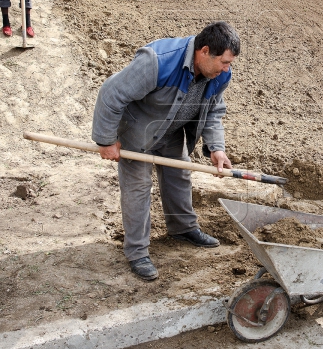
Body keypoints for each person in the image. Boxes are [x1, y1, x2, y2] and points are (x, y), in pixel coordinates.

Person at [91, 22, 240, 281]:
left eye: (229, 63)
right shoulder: (157, 61)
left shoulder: (218, 74)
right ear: (204, 51)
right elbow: (111, 94)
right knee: (138, 188)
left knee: (179, 177)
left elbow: (214, 111)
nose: (227, 69)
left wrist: (217, 147)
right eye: (224, 62)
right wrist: (105, 140)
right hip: (137, 132)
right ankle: (137, 252)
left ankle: (183, 228)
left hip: (171, 131)